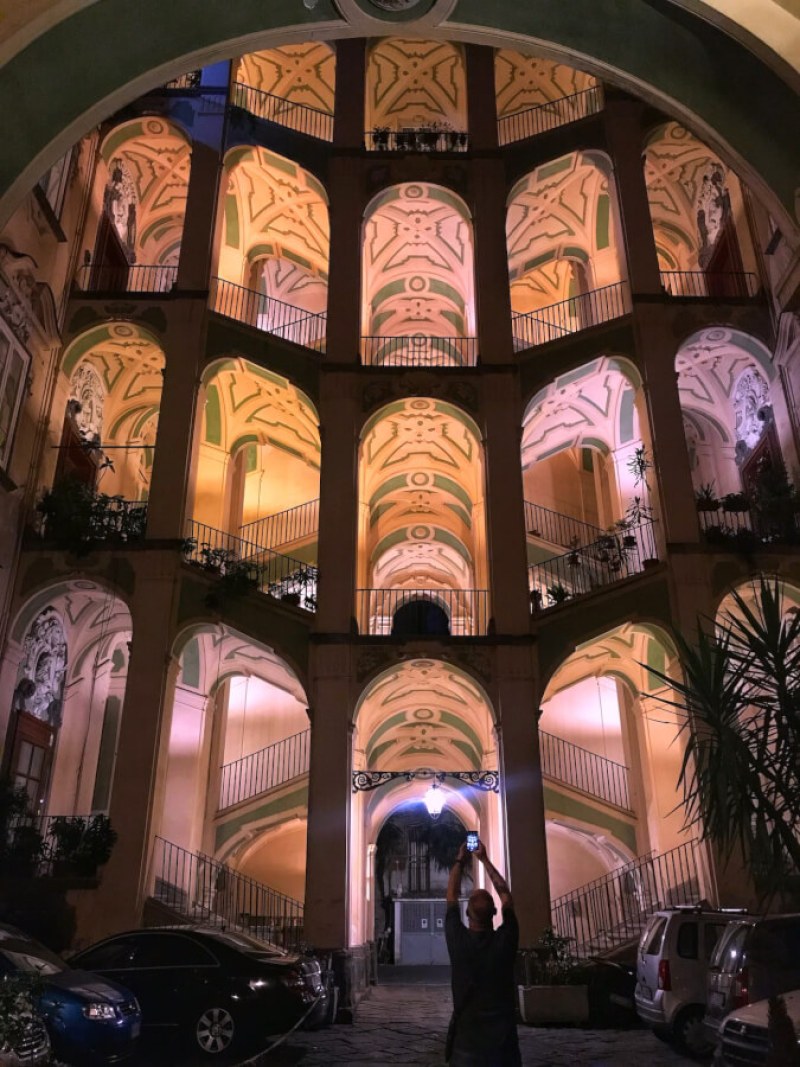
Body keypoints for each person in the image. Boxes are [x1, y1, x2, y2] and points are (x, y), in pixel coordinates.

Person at [444, 841, 521, 1067]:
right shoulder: (505, 941)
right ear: (495, 913)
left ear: (467, 913)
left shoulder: (458, 941)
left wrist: (460, 859)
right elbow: (506, 895)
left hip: (467, 1044)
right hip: (503, 1045)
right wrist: (484, 860)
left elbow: (450, 895)